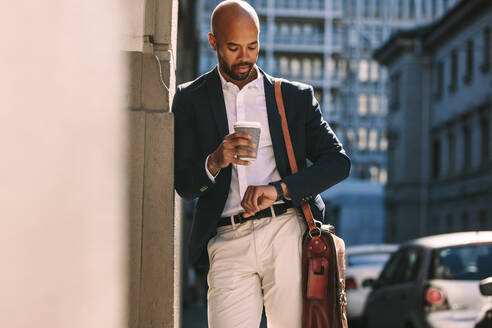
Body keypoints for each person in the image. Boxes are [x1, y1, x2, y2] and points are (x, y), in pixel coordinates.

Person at [172, 1, 351, 327]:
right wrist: (215, 160)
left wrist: (278, 189)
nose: (245, 57)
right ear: (213, 42)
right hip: (227, 241)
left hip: (285, 231)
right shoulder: (190, 99)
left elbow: (338, 163)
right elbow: (184, 185)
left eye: (252, 46)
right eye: (233, 47)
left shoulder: (294, 98)